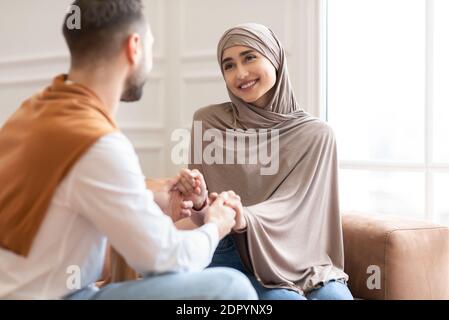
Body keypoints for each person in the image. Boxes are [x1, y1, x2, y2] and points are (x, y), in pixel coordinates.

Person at [0, 0, 257, 300]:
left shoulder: (32, 113)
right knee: (232, 287)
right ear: (134, 47)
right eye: (150, 44)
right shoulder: (96, 142)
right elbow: (170, 260)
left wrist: (148, 198)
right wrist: (216, 225)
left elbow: (65, 201)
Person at [188, 23, 353, 300]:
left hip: (303, 255)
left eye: (250, 57)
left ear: (274, 57)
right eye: (228, 65)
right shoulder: (208, 122)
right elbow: (201, 211)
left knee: (335, 298)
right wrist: (197, 199)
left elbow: (301, 207)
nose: (240, 73)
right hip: (233, 253)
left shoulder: (316, 134)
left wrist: (246, 216)